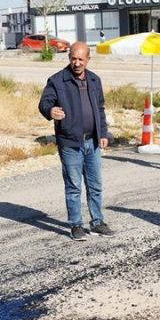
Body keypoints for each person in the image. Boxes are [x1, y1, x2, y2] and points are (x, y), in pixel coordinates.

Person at [38, 41, 116, 241]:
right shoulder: (57, 80)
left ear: (88, 59)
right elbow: (44, 102)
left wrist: (103, 133)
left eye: (81, 59)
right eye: (73, 58)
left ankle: (97, 222)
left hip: (93, 142)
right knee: (74, 186)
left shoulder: (94, 80)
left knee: (95, 185)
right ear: (69, 58)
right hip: (70, 143)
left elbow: (100, 108)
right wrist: (50, 110)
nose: (77, 63)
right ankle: (76, 225)